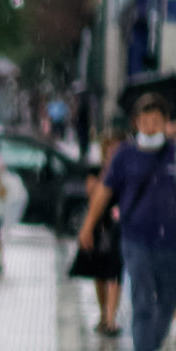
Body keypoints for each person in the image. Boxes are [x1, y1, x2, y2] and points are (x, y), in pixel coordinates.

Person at [80, 95, 176, 351]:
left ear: (165, 123)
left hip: (172, 240)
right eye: (145, 120)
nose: (151, 126)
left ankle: (151, 344)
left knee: (167, 302)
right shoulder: (124, 156)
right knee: (140, 298)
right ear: (137, 123)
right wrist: (87, 226)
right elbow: (103, 192)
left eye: (156, 120)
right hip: (135, 238)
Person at [67, 130, 127, 337]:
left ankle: (111, 318)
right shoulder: (97, 172)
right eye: (110, 151)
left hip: (119, 228)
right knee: (100, 273)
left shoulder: (128, 174)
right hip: (100, 228)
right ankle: (104, 314)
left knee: (115, 273)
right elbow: (92, 196)